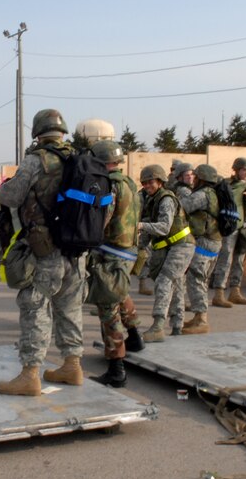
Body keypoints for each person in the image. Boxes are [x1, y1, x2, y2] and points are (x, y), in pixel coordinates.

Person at [0, 109, 86, 396]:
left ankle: (30, 374)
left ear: (37, 132)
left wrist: (8, 185)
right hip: (76, 246)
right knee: (70, 307)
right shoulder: (80, 159)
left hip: (45, 246)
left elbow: (10, 196)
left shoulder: (37, 160)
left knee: (35, 307)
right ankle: (72, 365)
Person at [88, 140, 143, 387]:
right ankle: (135, 336)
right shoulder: (129, 182)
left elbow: (103, 219)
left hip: (111, 252)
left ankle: (116, 368)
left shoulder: (109, 185)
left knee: (108, 307)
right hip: (129, 250)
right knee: (121, 294)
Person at [138, 164, 195, 343]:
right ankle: (177, 326)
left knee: (164, 280)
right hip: (171, 246)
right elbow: (149, 227)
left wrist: (139, 226)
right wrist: (138, 247)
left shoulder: (166, 200)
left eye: (151, 182)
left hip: (182, 245)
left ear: (160, 181)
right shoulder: (152, 199)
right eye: (144, 183)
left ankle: (158, 326)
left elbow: (163, 227)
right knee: (177, 284)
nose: (147, 186)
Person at [176, 164, 223, 334]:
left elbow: (182, 207)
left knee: (196, 278)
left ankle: (202, 320)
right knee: (200, 279)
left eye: (195, 177)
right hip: (214, 241)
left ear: (201, 178)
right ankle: (198, 317)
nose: (193, 179)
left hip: (204, 242)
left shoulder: (202, 195)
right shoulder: (214, 193)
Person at [210, 157, 246, 308]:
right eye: (244, 170)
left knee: (239, 261)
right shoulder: (226, 184)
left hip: (243, 228)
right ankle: (219, 293)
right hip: (229, 228)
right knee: (225, 260)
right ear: (236, 169)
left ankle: (235, 291)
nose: (245, 173)